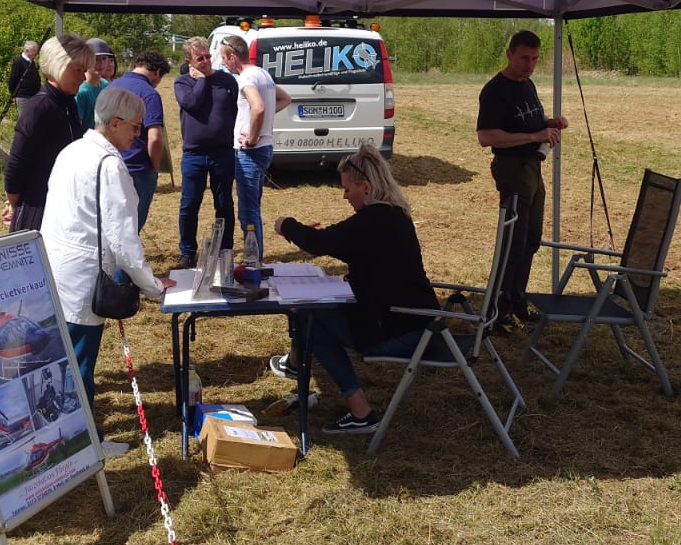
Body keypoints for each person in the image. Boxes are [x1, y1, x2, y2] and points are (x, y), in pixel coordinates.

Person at [272, 144, 442, 436]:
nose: (345, 195)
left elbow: (321, 243)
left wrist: (286, 225)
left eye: (347, 188)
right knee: (316, 317)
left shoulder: (372, 220)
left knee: (310, 317)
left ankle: (356, 408)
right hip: (419, 323)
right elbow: (341, 243)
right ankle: (311, 376)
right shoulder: (393, 214)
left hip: (400, 330)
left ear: (366, 187)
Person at [42, 86, 175, 458]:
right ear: (114, 123)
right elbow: (123, 239)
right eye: (134, 127)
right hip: (83, 275)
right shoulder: (109, 164)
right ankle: (84, 443)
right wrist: (153, 285)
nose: (138, 134)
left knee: (66, 358)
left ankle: (70, 435)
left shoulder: (72, 151)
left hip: (57, 266)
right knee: (79, 362)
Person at [476, 30, 568, 330]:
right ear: (509, 55)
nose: (530, 65)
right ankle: (498, 310)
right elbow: (486, 136)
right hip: (512, 169)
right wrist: (533, 136)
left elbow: (528, 121)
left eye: (535, 59)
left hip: (533, 168)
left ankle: (517, 299)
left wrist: (549, 123)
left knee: (531, 239)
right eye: (524, 58)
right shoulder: (495, 90)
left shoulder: (527, 85)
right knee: (513, 242)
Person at [2, 34, 93, 232]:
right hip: (38, 207)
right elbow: (16, 165)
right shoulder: (39, 107)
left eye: (85, 71)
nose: (83, 77)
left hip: (63, 203)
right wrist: (16, 205)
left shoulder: (68, 103)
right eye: (78, 70)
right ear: (58, 66)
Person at [218, 33, 290, 255]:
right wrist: (259, 123)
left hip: (251, 152)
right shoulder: (262, 74)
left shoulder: (246, 78)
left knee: (248, 212)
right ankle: (255, 257)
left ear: (233, 57)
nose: (222, 62)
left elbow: (258, 107)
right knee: (253, 207)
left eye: (223, 57)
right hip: (264, 148)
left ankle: (254, 260)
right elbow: (285, 99)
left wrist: (251, 137)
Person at [173, 35, 237, 267]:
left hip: (223, 152)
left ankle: (225, 249)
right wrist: (201, 81)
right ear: (189, 61)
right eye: (200, 58)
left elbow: (235, 110)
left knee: (224, 203)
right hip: (194, 154)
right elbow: (191, 103)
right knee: (189, 204)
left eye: (208, 56)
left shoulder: (226, 81)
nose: (206, 61)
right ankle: (188, 251)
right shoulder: (182, 83)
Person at [109, 51, 170, 229]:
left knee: (111, 223)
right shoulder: (149, 94)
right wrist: (155, 167)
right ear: (157, 73)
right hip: (138, 168)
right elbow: (155, 137)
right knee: (132, 226)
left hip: (109, 165)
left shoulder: (110, 87)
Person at [74, 37, 116, 130]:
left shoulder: (105, 84)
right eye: (96, 59)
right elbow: (77, 127)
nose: (101, 63)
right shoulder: (81, 91)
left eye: (104, 58)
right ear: (86, 60)